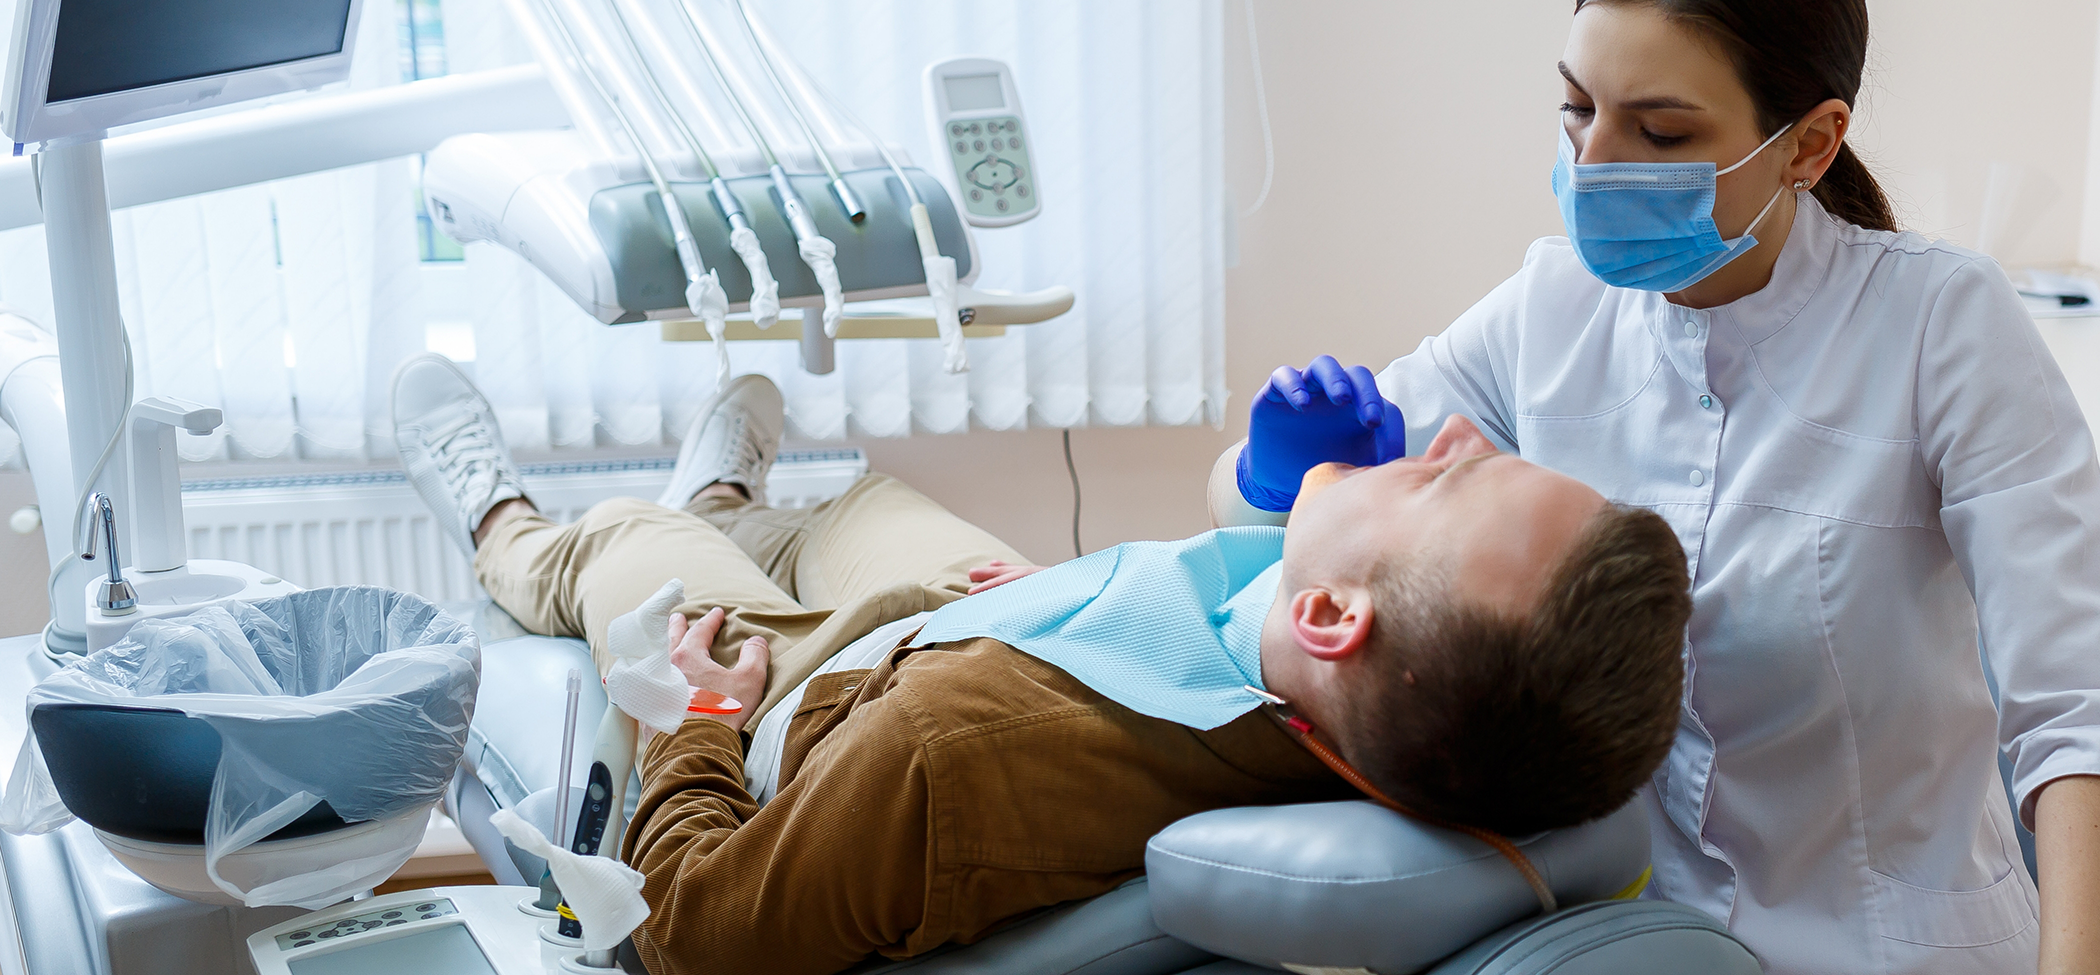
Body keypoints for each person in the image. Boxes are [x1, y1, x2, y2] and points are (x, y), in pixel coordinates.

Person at [1213, 2, 2100, 972]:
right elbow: (1273, 525)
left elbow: (2073, 710)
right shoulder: (1550, 311)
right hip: (1633, 948)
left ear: (1809, 144)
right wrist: (1274, 465)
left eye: (1660, 132)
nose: (1594, 163)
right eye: (1576, 107)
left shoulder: (1942, 324)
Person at [391, 354, 1695, 975]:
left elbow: (695, 929)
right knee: (858, 509)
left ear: (1338, 620)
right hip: (1003, 613)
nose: (1456, 430)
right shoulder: (1364, 688)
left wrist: (702, 725)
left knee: (631, 556)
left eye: (1447, 480)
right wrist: (1274, 499)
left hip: (825, 705)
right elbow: (1287, 600)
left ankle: (510, 521)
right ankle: (733, 497)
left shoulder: (950, 762)